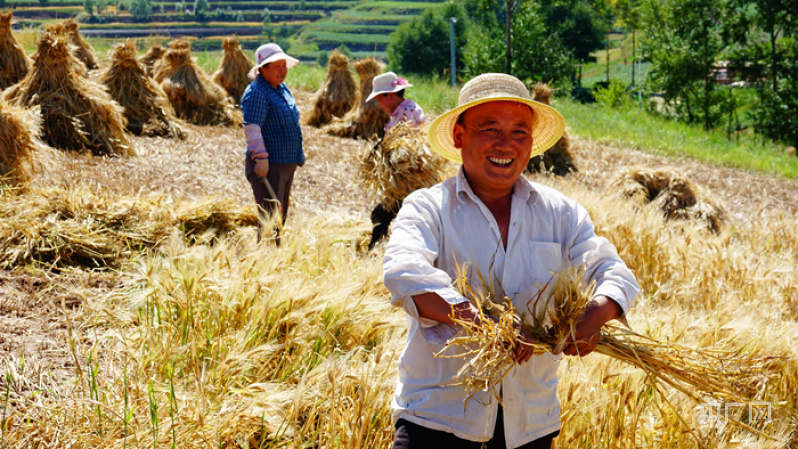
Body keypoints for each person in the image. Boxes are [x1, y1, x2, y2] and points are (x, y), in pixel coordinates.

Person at [382, 73, 640, 449]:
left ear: (532, 142)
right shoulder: (428, 209)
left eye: (520, 132)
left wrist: (595, 315)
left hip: (528, 427)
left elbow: (614, 273)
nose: (506, 144)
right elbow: (404, 274)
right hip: (437, 421)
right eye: (490, 129)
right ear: (459, 136)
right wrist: (487, 323)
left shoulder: (560, 214)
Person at [242, 43, 303, 244]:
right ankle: (266, 262)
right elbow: (253, 128)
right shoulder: (258, 92)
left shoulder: (281, 89)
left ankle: (274, 260)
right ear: (263, 69)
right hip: (270, 165)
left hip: (285, 163)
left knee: (279, 217)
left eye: (283, 65)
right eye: (275, 66)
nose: (282, 70)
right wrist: (260, 160)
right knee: (270, 217)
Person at [365, 72, 426, 250]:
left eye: (379, 98)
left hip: (410, 180)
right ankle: (378, 250)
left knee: (383, 215)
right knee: (386, 215)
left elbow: (408, 147)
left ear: (389, 95)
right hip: (402, 180)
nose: (378, 103)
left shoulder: (408, 112)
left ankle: (375, 251)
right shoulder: (402, 112)